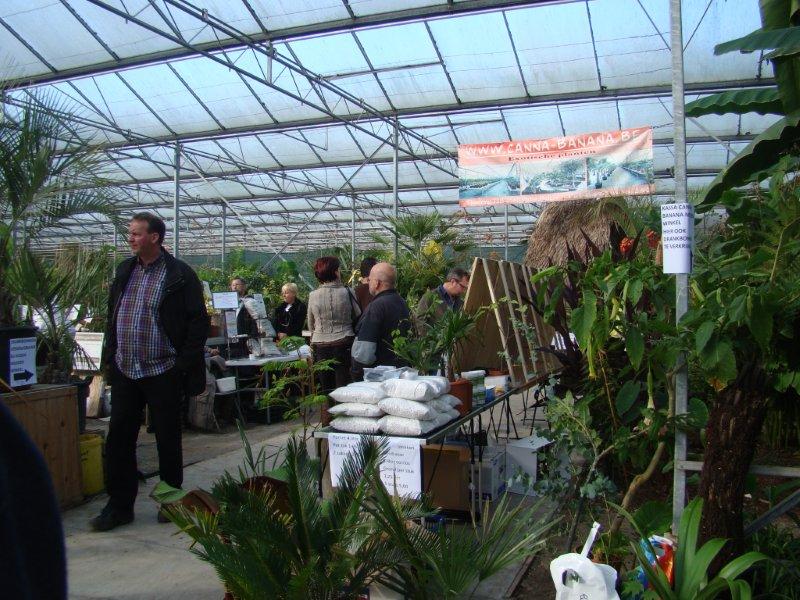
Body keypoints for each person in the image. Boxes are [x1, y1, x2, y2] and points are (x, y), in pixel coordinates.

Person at [92, 212, 208, 532]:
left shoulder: (179, 274)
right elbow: (113, 313)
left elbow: (197, 321)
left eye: (136, 233)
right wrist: (111, 356)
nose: (130, 238)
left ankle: (170, 500)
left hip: (163, 369)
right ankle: (119, 506)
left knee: (167, 438)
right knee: (119, 437)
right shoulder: (125, 270)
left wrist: (182, 364)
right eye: (130, 233)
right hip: (126, 368)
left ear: (154, 237)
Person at [307, 256, 361, 396]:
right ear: (336, 272)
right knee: (343, 386)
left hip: (321, 345)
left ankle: (327, 409)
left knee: (325, 388)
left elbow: (310, 324)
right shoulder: (347, 292)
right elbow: (358, 314)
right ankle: (343, 409)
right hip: (344, 342)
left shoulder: (313, 295)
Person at [351, 262, 411, 378]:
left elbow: (365, 353)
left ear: (377, 283)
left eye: (370, 280)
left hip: (379, 375)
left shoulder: (376, 307)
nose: (368, 283)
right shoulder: (402, 302)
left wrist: (356, 372)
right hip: (400, 372)